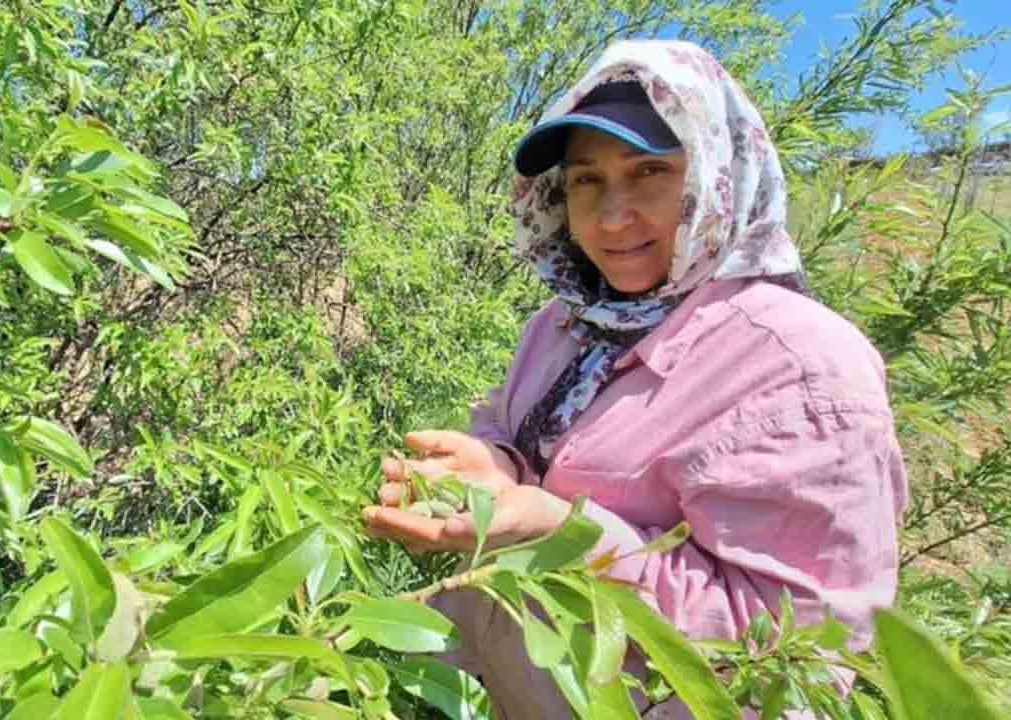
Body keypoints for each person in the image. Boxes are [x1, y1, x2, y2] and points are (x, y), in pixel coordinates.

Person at [361, 39, 907, 719]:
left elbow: (797, 657)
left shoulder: (798, 368)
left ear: (715, 174)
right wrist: (494, 465)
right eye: (587, 179)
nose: (612, 216)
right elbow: (519, 436)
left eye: (649, 171)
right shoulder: (569, 324)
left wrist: (561, 533)